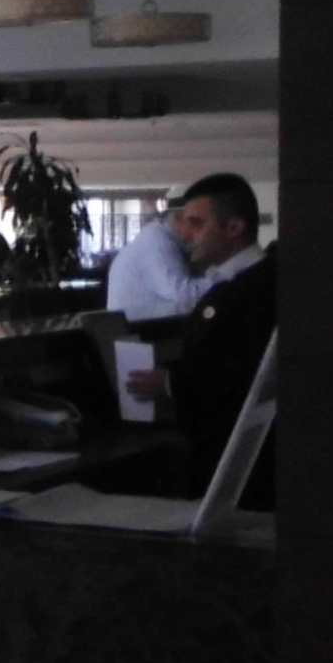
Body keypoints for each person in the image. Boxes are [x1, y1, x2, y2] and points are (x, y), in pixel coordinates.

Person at [123, 174, 276, 503]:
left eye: (196, 223)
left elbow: (241, 373)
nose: (185, 234)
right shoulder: (240, 285)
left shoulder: (253, 291)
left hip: (243, 464)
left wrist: (170, 382)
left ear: (233, 228)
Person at [106, 189, 217, 321]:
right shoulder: (156, 242)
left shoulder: (158, 238)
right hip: (145, 331)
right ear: (180, 218)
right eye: (198, 223)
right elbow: (185, 295)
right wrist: (227, 274)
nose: (203, 232)